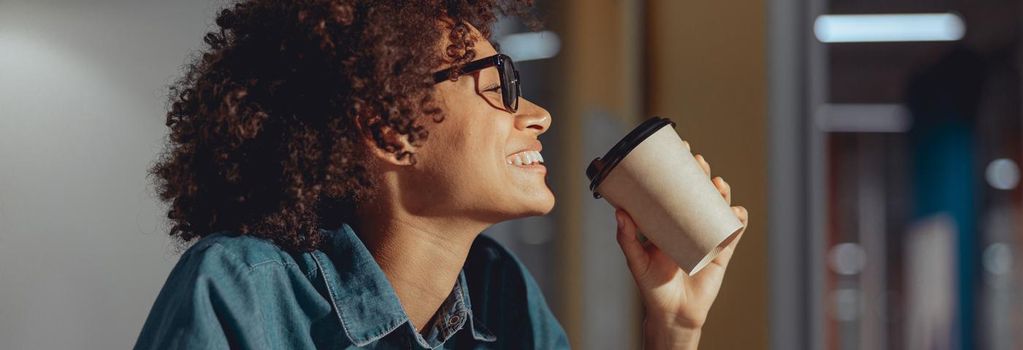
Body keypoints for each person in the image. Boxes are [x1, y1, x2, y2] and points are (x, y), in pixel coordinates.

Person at [134, 0, 748, 349]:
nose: (537, 115)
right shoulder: (244, 290)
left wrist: (673, 325)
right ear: (389, 132)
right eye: (499, 86)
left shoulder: (499, 292)